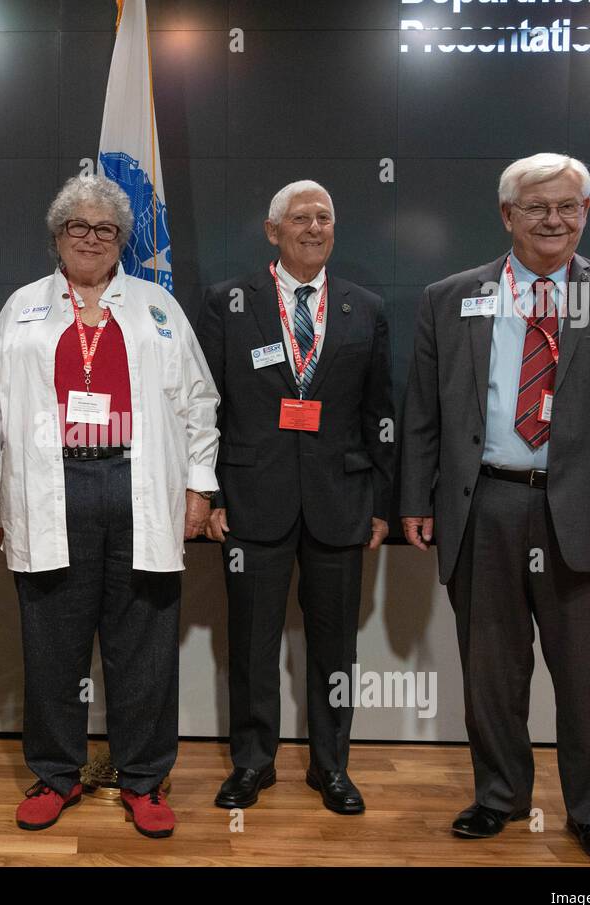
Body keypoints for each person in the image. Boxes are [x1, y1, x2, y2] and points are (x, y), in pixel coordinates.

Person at [400, 153, 590, 864]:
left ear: (586, 211)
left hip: (588, 516)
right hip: (484, 504)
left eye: (568, 206)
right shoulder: (449, 297)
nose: (554, 220)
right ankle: (499, 798)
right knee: (491, 672)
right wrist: (415, 498)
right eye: (537, 207)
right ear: (506, 215)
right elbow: (423, 414)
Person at [0, 175, 219, 839]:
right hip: (52, 486)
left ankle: (144, 779)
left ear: (122, 241)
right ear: (57, 236)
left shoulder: (157, 307)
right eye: (78, 227)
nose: (91, 237)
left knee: (143, 645)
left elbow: (200, 404)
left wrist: (199, 488)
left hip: (139, 486)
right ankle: (56, 773)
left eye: (105, 228)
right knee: (51, 642)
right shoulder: (23, 309)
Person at [195, 180, 394, 815]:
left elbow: (380, 415)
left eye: (324, 217)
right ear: (273, 230)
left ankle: (332, 766)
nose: (314, 227)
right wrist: (215, 494)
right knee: (251, 642)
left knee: (337, 647)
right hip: (252, 501)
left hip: (341, 503)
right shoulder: (227, 303)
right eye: (300, 218)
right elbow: (207, 407)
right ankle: (252, 762)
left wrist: (382, 506)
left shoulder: (366, 308)